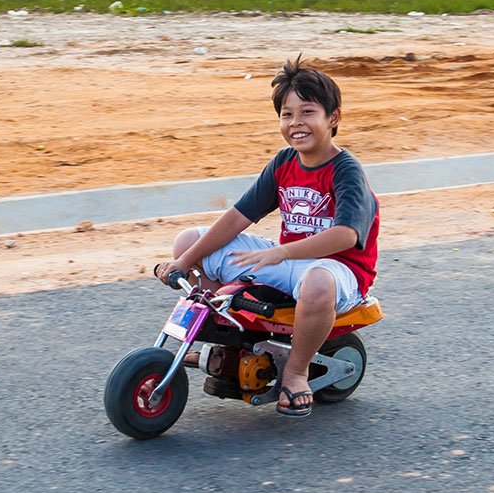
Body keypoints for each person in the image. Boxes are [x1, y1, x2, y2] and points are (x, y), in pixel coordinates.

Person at [153, 58, 379, 417]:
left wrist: (281, 254)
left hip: (338, 270)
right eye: (287, 115)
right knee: (188, 242)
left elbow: (346, 236)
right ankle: (227, 343)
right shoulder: (284, 162)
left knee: (318, 282)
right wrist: (182, 262)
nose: (296, 123)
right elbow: (238, 217)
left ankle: (296, 372)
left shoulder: (346, 169)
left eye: (308, 112)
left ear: (333, 118)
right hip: (288, 261)